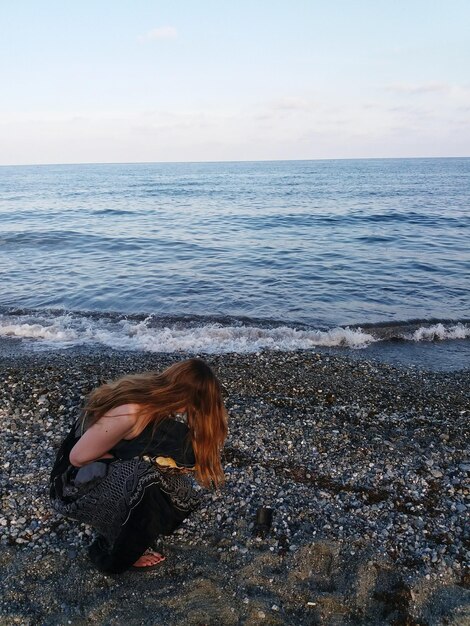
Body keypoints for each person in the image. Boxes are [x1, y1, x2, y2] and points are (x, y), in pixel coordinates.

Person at [50, 358, 228, 574]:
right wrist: (135, 464)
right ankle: (113, 552)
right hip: (69, 488)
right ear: (185, 398)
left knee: (173, 485)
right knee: (146, 481)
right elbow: (77, 457)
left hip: (90, 473)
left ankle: (125, 525)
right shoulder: (132, 411)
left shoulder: (152, 396)